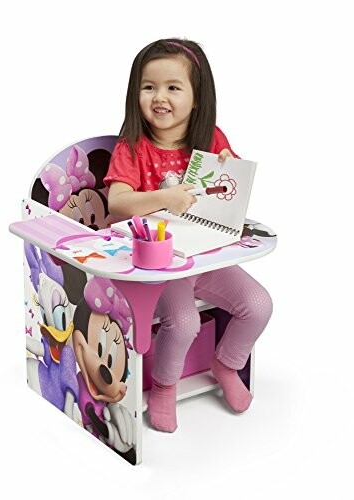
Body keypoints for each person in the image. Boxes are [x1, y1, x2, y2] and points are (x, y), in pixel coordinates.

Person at [104, 38, 273, 432]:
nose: (159, 97)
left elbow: (228, 196)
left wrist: (229, 168)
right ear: (136, 94)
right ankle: (163, 387)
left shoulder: (211, 138)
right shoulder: (133, 148)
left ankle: (227, 364)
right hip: (159, 263)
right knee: (182, 323)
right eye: (149, 87)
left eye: (173, 87)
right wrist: (165, 197)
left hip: (206, 252)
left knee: (258, 304)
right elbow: (117, 202)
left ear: (197, 97)